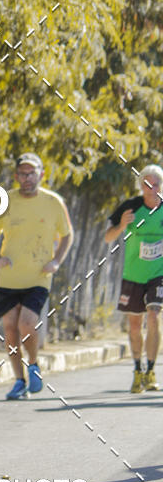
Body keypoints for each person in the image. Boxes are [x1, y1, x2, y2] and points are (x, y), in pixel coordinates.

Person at [0, 153, 73, 400]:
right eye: (23, 173)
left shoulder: (53, 202)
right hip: (9, 278)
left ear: (41, 174)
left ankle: (33, 364)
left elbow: (67, 235)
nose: (27, 178)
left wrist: (56, 260)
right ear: (16, 176)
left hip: (38, 276)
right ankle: (19, 380)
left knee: (26, 323)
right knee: (10, 330)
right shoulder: (6, 201)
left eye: (32, 173)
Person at [104, 164, 163, 393]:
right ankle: (137, 370)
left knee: (154, 315)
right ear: (141, 186)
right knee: (135, 325)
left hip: (158, 275)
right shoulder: (130, 207)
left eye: (156, 183)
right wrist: (121, 225)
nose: (151, 188)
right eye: (147, 184)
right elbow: (108, 237)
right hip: (133, 275)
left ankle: (150, 371)